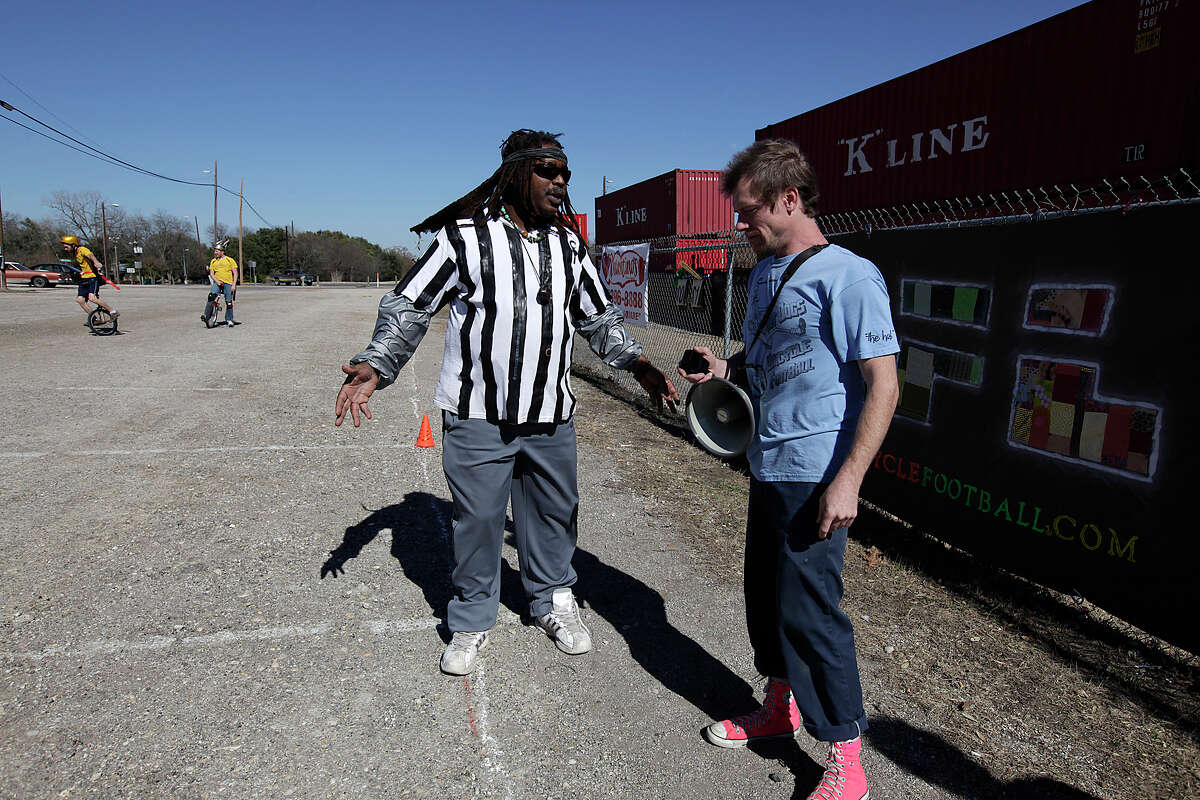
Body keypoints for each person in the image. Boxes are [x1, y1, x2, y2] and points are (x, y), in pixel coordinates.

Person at [334, 129, 679, 676]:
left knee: (553, 514)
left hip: (550, 414)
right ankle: (472, 617)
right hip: (477, 414)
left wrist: (638, 365)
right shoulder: (461, 239)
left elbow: (598, 319)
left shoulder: (570, 246)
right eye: (548, 170)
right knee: (478, 519)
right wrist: (378, 364)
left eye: (565, 172)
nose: (560, 181)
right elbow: (409, 305)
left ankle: (553, 600)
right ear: (517, 175)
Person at [679, 139, 899, 800]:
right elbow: (769, 355)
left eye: (750, 212)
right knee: (765, 600)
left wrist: (850, 480)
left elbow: (884, 387)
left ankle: (845, 757)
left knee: (812, 614)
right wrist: (721, 370)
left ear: (791, 199)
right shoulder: (768, 272)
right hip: (766, 463)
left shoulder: (850, 276)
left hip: (817, 473)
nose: (742, 225)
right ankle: (780, 709)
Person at [62, 235, 117, 320]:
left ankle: (112, 311)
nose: (65, 249)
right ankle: (94, 319)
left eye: (66, 247)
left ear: (73, 245)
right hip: (84, 278)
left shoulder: (82, 250)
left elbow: (90, 255)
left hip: (92, 277)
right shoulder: (75, 253)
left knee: (92, 298)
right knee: (80, 300)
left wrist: (96, 262)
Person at [204, 241, 239, 327]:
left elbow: (235, 273)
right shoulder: (213, 261)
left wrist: (234, 284)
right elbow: (212, 273)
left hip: (228, 282)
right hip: (217, 282)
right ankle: (206, 316)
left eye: (217, 251)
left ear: (222, 251)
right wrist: (216, 281)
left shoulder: (229, 260)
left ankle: (229, 319)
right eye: (215, 251)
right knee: (211, 297)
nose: (215, 252)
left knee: (229, 302)